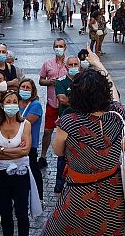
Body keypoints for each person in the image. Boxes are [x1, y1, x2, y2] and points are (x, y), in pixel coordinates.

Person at [35, 49, 125, 236]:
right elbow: (114, 91)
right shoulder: (116, 117)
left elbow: (57, 151)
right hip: (112, 198)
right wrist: (97, 63)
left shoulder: (69, 122)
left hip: (78, 197)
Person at [0, 90, 42, 236]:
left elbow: (25, 152)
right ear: (2, 105)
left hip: (21, 174)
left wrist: (2, 151)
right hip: (1, 175)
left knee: (21, 212)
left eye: (14, 101)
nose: (12, 104)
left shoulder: (25, 124)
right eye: (8, 101)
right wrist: (11, 152)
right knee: (4, 211)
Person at [52, 56, 81, 193]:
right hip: (65, 121)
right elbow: (62, 99)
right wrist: (82, 102)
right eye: (71, 64)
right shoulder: (61, 81)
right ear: (66, 66)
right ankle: (59, 182)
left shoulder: (84, 81)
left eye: (76, 64)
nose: (74, 66)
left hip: (82, 121)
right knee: (62, 153)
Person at [38, 39, 68, 168]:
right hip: (52, 103)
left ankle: (68, 156)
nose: (58, 48)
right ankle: (43, 156)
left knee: (68, 131)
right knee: (47, 130)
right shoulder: (47, 63)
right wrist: (50, 82)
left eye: (61, 46)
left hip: (67, 104)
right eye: (56, 46)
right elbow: (40, 80)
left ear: (65, 47)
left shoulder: (70, 63)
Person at [18, 79, 44, 201]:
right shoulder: (15, 103)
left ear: (33, 91)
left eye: (28, 88)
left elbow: (26, 122)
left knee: (33, 170)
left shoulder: (35, 105)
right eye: (23, 87)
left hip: (30, 144)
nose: (25, 89)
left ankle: (39, 197)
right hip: (15, 144)